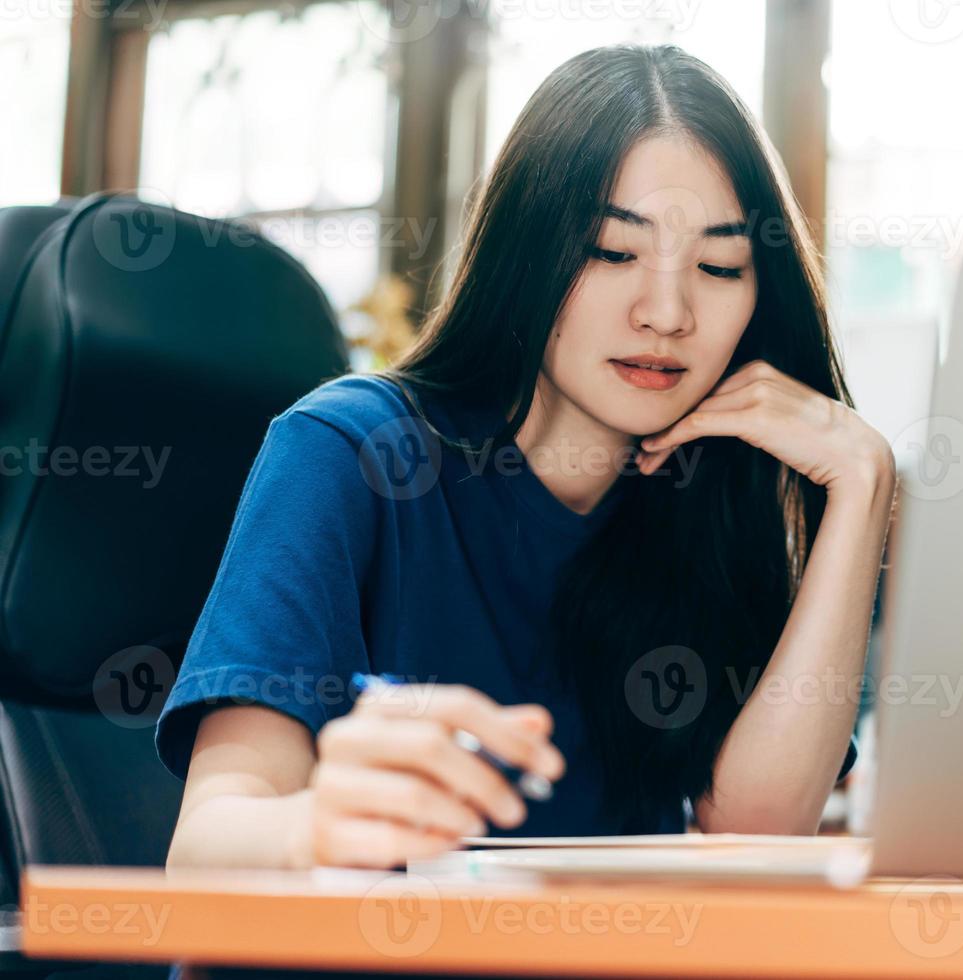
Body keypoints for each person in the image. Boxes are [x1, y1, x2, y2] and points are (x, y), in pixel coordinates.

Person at [159, 44, 897, 871]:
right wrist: (315, 826)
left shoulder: (712, 496)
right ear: (526, 249)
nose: (667, 312)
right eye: (614, 252)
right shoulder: (349, 451)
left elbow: (754, 833)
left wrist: (863, 488)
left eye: (720, 266)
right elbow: (206, 849)